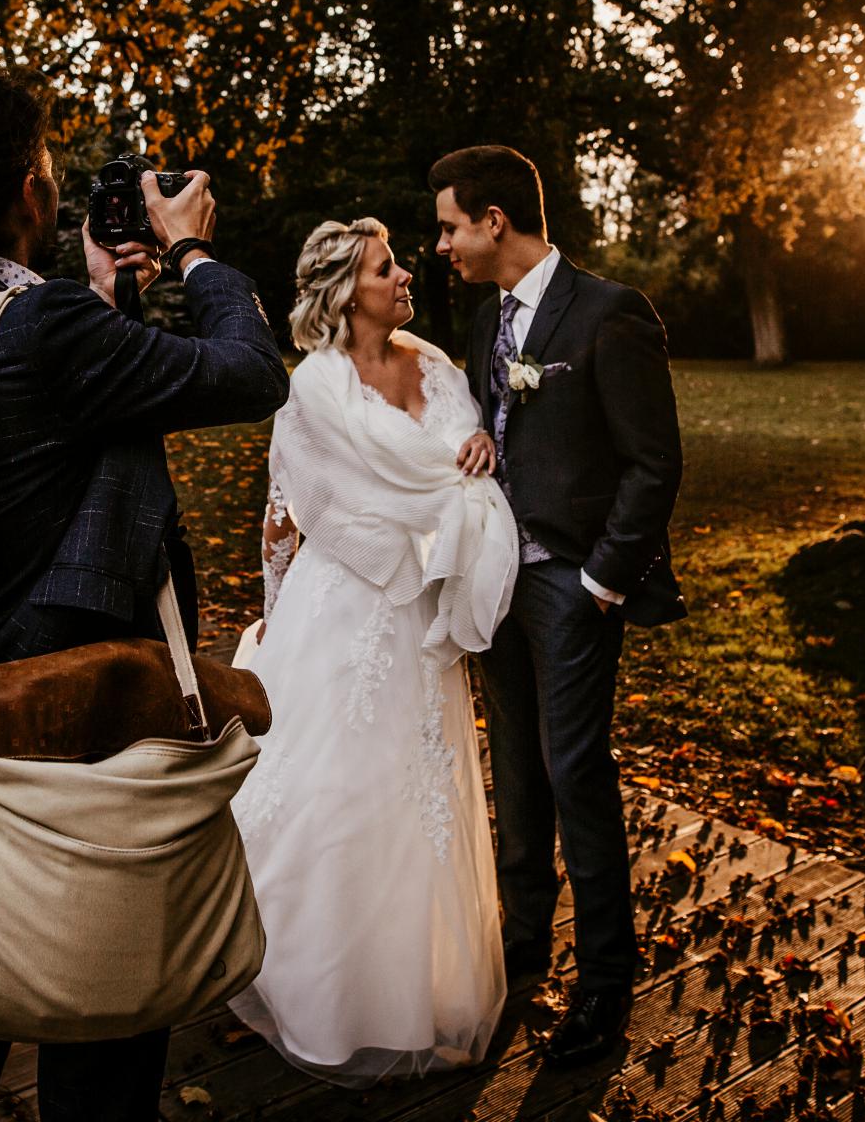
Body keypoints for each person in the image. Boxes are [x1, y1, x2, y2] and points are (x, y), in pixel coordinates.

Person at [0, 66, 289, 1122]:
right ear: (25, 192)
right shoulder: (47, 334)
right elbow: (249, 368)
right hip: (83, 714)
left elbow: (30, 437)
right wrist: (191, 249)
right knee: (106, 1018)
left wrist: (92, 289)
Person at [227, 218, 519, 1087]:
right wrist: (277, 613)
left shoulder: (434, 365)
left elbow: (461, 474)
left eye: (396, 266)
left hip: (420, 618)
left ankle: (407, 993)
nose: (404, 279)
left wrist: (481, 450)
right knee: (331, 795)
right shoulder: (312, 389)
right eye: (386, 269)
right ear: (346, 290)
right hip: (339, 607)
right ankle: (305, 986)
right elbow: (286, 511)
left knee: (412, 800)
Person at [430, 144, 685, 1069]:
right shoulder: (484, 316)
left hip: (570, 587)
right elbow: (492, 429)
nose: (444, 243)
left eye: (453, 225)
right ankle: (524, 945)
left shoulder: (610, 313)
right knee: (521, 772)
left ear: (495, 221)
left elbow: (655, 463)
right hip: (493, 582)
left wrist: (599, 583)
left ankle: (605, 984)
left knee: (574, 769)